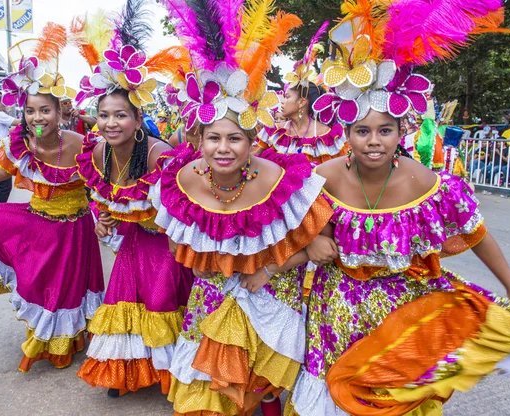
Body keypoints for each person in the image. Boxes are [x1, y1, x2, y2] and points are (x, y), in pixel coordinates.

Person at [286, 5, 510, 415]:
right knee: (336, 395)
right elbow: (304, 229)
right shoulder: (322, 175)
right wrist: (317, 243)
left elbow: (477, 235)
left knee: (393, 398)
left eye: (385, 130)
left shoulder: (426, 183)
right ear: (346, 133)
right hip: (337, 308)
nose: (374, 141)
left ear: (403, 131)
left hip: (400, 311)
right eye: (362, 131)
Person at [158, 3, 314, 416]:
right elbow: (182, 249)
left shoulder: (281, 182)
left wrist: (268, 270)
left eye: (234, 139)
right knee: (206, 393)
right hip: (210, 301)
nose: (223, 149)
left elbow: (317, 246)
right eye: (213, 138)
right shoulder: (182, 182)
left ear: (252, 143)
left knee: (261, 390)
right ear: (199, 138)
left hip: (268, 293)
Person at [0, 54, 104, 372]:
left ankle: (69, 341)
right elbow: (1, 171)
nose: (37, 118)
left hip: (76, 232)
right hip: (38, 228)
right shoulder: (23, 145)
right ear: (22, 113)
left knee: (71, 287)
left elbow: (106, 181)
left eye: (45, 110)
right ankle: (46, 341)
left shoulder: (84, 145)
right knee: (41, 286)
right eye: (30, 110)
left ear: (59, 112)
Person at [73, 8, 194, 398]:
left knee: (160, 304)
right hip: (134, 242)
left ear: (138, 117)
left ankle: (172, 375)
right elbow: (99, 198)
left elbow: (183, 208)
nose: (111, 123)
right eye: (104, 115)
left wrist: (174, 239)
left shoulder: (161, 156)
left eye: (121, 115)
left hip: (167, 244)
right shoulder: (96, 154)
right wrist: (102, 219)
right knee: (122, 302)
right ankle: (126, 371)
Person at [256, 23, 348, 165]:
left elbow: (342, 170)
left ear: (302, 102)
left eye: (287, 97)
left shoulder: (329, 136)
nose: (282, 102)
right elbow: (252, 161)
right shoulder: (273, 133)